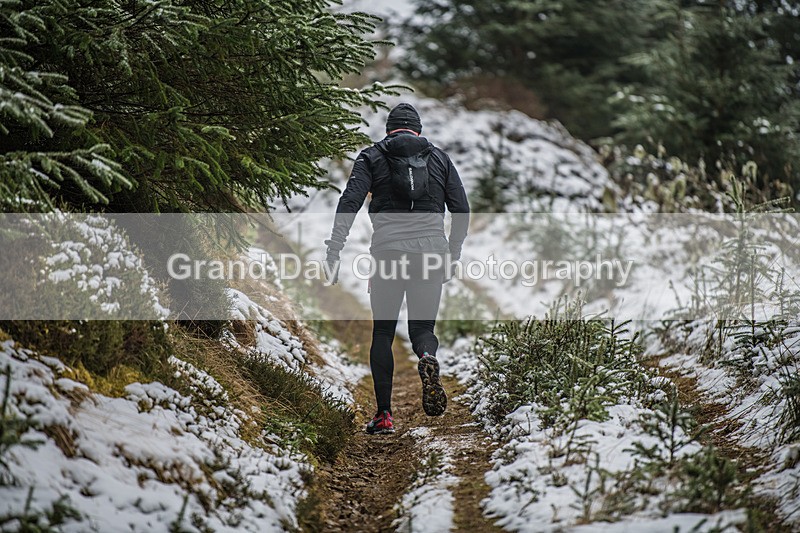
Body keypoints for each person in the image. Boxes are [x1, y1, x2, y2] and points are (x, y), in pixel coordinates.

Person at [324, 103, 470, 435]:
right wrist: (452, 252)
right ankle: (427, 355)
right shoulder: (439, 158)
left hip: (388, 253)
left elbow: (349, 201)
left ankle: (384, 416)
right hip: (431, 252)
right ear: (417, 129)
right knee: (422, 328)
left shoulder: (371, 157)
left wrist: (335, 246)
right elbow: (461, 209)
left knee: (383, 333)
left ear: (389, 129)